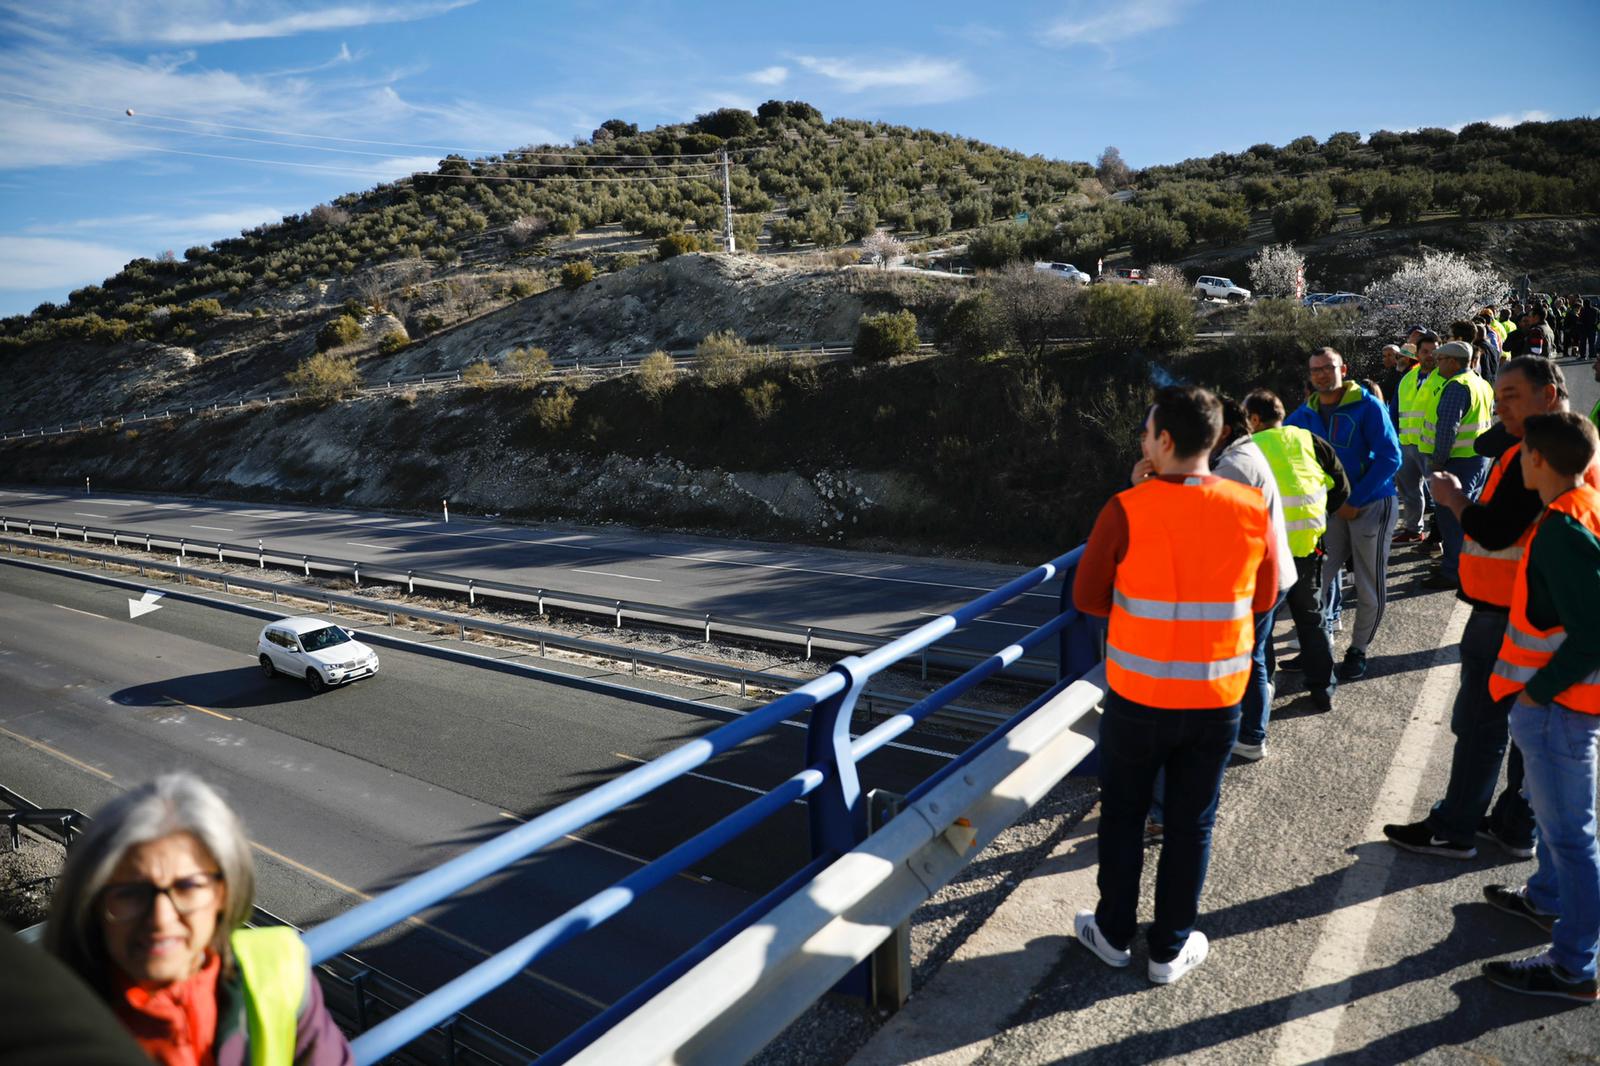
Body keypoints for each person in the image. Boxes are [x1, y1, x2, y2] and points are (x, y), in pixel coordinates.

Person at [1072, 385, 1278, 985]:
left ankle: (1112, 935)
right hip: (1216, 700)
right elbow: (1263, 598)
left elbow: (1087, 596)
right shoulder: (1248, 507)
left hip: (1138, 698)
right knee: (1192, 825)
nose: (1141, 441)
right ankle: (1169, 949)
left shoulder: (1126, 509)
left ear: (1163, 441)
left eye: (1145, 433)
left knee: (1124, 817)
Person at [1383, 357, 1587, 861]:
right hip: (1531, 611)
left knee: (1480, 721)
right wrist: (1506, 429)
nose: (1501, 407)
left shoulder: (1535, 457)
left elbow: (1496, 530)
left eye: (1511, 397)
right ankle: (1516, 826)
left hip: (1504, 611)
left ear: (1547, 395)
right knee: (1524, 727)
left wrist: (1454, 501)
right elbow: (1485, 444)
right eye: (1497, 399)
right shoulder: (1567, 444)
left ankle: (1454, 827)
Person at [44, 773, 353, 1065]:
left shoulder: (278, 971)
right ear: (93, 901)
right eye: (130, 893)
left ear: (224, 893)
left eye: (187, 886)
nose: (160, 919)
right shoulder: (40, 1017)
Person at [1480, 412, 1600, 1004]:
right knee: (1560, 828)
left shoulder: (1560, 527)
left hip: (1559, 709)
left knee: (1572, 837)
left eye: (1522, 453)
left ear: (1537, 460)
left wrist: (1536, 691)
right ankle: (1548, 899)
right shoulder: (1584, 505)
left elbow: (1592, 632)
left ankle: (1574, 966)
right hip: (1563, 707)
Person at [1286, 348, 1402, 682]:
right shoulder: (1304, 415)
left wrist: (1356, 498)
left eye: (1328, 368)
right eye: (1315, 370)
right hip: (1331, 509)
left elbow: (1390, 458)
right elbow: (1280, 445)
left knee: (1368, 583)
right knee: (1316, 581)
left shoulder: (1368, 406)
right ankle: (1317, 645)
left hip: (1371, 505)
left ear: (1343, 369)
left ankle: (1358, 651)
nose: (1322, 374)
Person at [1248, 388, 1350, 711]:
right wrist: (1319, 516)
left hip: (1266, 554)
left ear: (1253, 419)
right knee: (1311, 618)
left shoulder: (1248, 450)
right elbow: (1341, 487)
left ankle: (1263, 696)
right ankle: (1323, 689)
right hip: (1309, 546)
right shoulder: (1308, 440)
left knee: (1261, 626)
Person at [1210, 396, 1296, 759]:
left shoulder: (1234, 466)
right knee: (1255, 655)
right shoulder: (1242, 455)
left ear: (1224, 430)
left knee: (1250, 658)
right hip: (1272, 572)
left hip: (1261, 578)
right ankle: (1251, 729)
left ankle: (1250, 736)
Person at [1418, 341, 1495, 589]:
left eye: (1441, 359)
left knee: (1451, 518)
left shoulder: (1456, 387)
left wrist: (1438, 463)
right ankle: (1460, 563)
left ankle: (1454, 571)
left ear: (1453, 362)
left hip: (1456, 462)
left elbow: (1447, 430)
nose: (1437, 363)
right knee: (1464, 514)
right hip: (1476, 459)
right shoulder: (1480, 383)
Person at [1394, 332, 1439, 542]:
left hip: (1432, 446)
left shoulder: (1444, 378)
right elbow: (1395, 410)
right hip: (1406, 444)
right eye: (1425, 351)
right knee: (1410, 491)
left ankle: (1440, 535)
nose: (1429, 355)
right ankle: (1413, 529)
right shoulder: (1407, 378)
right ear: (1417, 354)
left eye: (1433, 351)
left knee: (1439, 493)